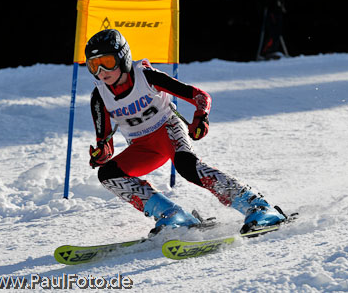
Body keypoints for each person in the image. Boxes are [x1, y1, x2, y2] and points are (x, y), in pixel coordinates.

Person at [86, 29, 286, 235]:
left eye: (107, 62)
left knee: (188, 166)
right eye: (94, 65)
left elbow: (199, 95)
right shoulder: (100, 97)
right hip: (143, 147)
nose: (101, 71)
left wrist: (201, 117)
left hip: (168, 130)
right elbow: (105, 142)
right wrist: (101, 155)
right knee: (108, 174)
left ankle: (258, 206)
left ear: (123, 58)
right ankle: (173, 216)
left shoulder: (146, 77)